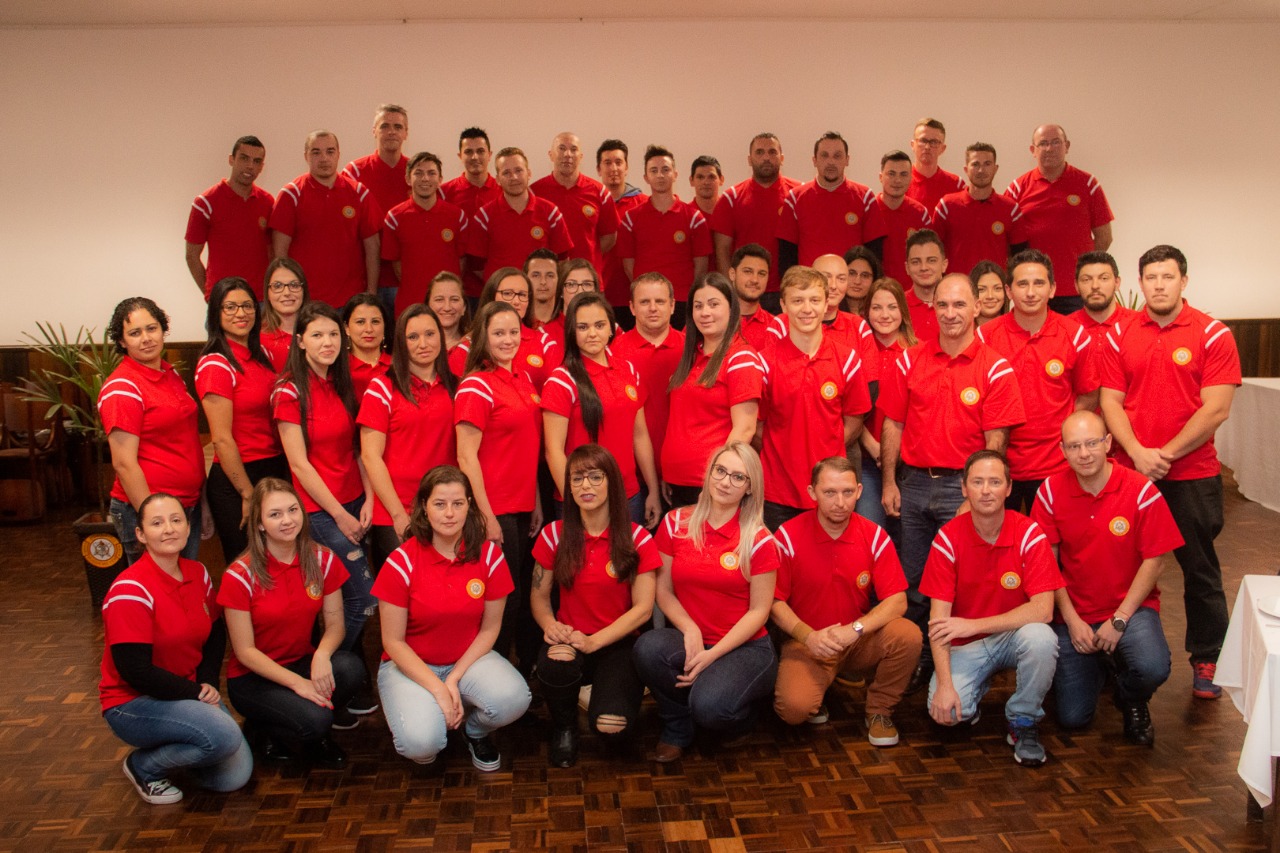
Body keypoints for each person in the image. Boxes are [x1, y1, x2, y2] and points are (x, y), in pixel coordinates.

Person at [1099, 244, 1241, 699]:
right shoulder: (1119, 334)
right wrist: (1137, 452)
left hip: (1192, 474)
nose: (1159, 285)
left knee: (1200, 571)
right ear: (1140, 284)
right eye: (1151, 278)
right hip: (1131, 472)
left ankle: (1207, 657)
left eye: (1167, 276)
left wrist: (1164, 454)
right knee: (1121, 567)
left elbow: (1216, 409)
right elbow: (1109, 401)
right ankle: (1115, 654)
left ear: (1184, 281)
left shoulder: (1213, 334)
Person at [878, 273, 1026, 690]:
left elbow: (996, 442)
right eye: (942, 305)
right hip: (913, 484)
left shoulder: (995, 367)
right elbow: (892, 424)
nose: (950, 313)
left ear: (977, 306)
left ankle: (958, 666)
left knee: (957, 584)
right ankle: (915, 659)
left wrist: (976, 497)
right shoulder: (909, 360)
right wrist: (889, 482)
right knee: (912, 582)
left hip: (962, 489)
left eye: (959, 304)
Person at [1032, 412, 1183, 743]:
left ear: (1108, 443)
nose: (1084, 453)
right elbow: (1047, 566)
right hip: (1075, 612)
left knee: (1152, 668)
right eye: (1074, 446)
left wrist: (1120, 619)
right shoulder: (1049, 492)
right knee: (1073, 718)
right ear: (1062, 450)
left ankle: (1130, 698)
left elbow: (1155, 562)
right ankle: (1100, 664)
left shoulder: (1141, 490)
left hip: (1130, 609)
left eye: (1091, 443)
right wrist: (1072, 620)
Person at [373, 466, 531, 770]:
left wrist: (455, 678)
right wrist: (438, 688)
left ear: (469, 505)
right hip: (411, 666)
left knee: (515, 699)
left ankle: (473, 731)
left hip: (467, 662)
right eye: (439, 504)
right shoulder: (400, 561)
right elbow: (393, 642)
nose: (449, 513)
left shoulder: (489, 556)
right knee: (422, 745)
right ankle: (435, 722)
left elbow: (490, 629)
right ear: (424, 507)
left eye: (458, 503)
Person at [99, 493, 252, 804]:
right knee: (224, 736)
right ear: (141, 534)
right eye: (157, 523)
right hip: (134, 702)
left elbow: (215, 633)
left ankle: (180, 749)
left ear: (188, 527)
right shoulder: (130, 589)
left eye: (176, 520)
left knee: (234, 777)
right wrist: (195, 693)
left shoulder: (198, 573)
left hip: (187, 691)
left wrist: (207, 681)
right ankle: (143, 765)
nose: (169, 529)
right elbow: (135, 671)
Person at [633, 442, 779, 762]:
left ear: (750, 487)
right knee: (647, 648)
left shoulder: (759, 540)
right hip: (693, 638)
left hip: (745, 647)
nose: (725, 482)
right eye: (720, 471)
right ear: (709, 473)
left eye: (738, 477)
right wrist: (689, 629)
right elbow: (663, 590)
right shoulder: (675, 523)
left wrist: (712, 655)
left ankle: (741, 718)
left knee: (711, 707)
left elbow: (759, 611)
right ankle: (677, 725)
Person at [920, 450, 1062, 767]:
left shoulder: (1030, 534)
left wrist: (974, 625)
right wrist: (945, 687)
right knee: (949, 714)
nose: (986, 490)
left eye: (995, 482)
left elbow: (1043, 610)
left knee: (1042, 637)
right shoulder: (947, 539)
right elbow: (938, 623)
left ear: (1009, 488)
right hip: (965, 645)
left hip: (1013, 636)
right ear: (964, 488)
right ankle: (974, 688)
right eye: (978, 482)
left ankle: (1024, 719)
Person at [771, 457, 921, 743]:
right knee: (793, 710)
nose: (840, 502)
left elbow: (898, 601)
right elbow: (774, 603)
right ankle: (820, 687)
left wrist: (855, 630)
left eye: (847, 492)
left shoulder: (875, 536)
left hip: (855, 639)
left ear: (859, 491)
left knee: (908, 635)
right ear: (812, 492)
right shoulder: (787, 536)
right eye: (830, 492)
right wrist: (808, 636)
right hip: (807, 643)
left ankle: (879, 711)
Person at [219, 478, 366, 766]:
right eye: (275, 514)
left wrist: (322, 655)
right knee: (317, 720)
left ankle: (302, 724)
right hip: (254, 678)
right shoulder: (239, 575)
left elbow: (335, 624)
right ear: (259, 523)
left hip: (300, 661)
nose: (287, 520)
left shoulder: (322, 559)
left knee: (350, 668)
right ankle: (263, 729)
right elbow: (245, 652)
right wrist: (299, 684)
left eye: (293, 510)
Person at [531, 444, 660, 766]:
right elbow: (539, 597)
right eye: (577, 479)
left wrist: (594, 642)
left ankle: (606, 698)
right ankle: (564, 728)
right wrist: (551, 626)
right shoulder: (553, 535)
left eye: (594, 477)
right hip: (570, 638)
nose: (585, 486)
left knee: (610, 729)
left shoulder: (637, 538)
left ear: (611, 482)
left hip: (617, 643)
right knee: (556, 662)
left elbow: (643, 609)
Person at [272, 303, 376, 678]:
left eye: (333, 334)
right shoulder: (288, 391)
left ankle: (339, 678)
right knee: (365, 598)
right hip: (321, 511)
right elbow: (299, 464)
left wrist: (370, 498)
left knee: (349, 598)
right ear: (300, 341)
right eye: (317, 335)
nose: (327, 342)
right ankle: (323, 670)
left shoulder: (340, 384)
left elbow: (357, 450)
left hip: (355, 501)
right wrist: (339, 515)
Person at [454, 301, 545, 676]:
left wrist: (536, 499)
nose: (508, 340)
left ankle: (515, 674)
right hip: (495, 508)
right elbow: (465, 456)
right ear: (482, 337)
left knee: (519, 596)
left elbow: (528, 445)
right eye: (498, 333)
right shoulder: (476, 384)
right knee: (502, 601)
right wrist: (485, 515)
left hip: (522, 505)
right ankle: (489, 678)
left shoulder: (522, 378)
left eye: (513, 332)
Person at [977, 249, 1097, 512]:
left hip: (1056, 465)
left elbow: (1088, 395)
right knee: (1000, 537)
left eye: (1039, 283)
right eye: (1022, 284)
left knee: (1054, 537)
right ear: (1009, 291)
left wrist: (1061, 431)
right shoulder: (984, 338)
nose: (1031, 292)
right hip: (998, 465)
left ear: (1052, 289)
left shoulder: (1075, 336)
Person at [759, 266, 871, 531]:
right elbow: (757, 426)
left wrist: (825, 449)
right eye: (797, 300)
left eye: (814, 300)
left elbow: (854, 421)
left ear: (826, 303)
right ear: (783, 305)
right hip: (777, 491)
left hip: (830, 491)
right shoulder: (764, 361)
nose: (807, 309)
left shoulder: (847, 359)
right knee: (778, 558)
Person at [99, 297, 205, 565]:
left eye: (152, 328)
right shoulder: (122, 387)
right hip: (148, 512)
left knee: (183, 583)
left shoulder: (171, 375)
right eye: (135, 333)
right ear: (122, 341)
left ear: (163, 330)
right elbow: (124, 464)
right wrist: (154, 520)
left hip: (185, 506)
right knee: (156, 588)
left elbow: (187, 442)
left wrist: (201, 504)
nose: (146, 338)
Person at [542, 292, 661, 527]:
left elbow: (639, 436)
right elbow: (553, 451)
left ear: (611, 328)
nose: (592, 333)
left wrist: (653, 490)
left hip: (629, 496)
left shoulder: (628, 370)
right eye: (583, 327)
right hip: (583, 500)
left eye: (599, 325)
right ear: (572, 332)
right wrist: (574, 503)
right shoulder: (561, 380)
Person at [359, 304, 459, 572]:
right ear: (400, 343)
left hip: (446, 510)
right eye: (412, 337)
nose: (423, 344)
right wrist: (398, 515)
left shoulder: (457, 386)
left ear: (441, 337)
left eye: (430, 334)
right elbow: (370, 456)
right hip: (397, 510)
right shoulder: (381, 388)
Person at [196, 277, 289, 562]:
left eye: (248, 306)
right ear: (216, 313)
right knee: (247, 566)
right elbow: (221, 439)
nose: (241, 313)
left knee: (278, 561)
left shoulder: (261, 356)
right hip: (239, 477)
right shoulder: (216, 363)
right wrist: (247, 493)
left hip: (273, 468)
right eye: (231, 307)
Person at [661, 273, 765, 507]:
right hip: (678, 482)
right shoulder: (691, 356)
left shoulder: (741, 357)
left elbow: (745, 429)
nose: (704, 312)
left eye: (713, 304)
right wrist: (670, 471)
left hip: (710, 485)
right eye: (698, 306)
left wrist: (717, 481)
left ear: (732, 309)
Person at [1005, 124, 1114, 314]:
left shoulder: (1088, 184)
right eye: (1043, 143)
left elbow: (1105, 237)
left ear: (1067, 146)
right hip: (1034, 292)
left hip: (1076, 292)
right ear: (1033, 150)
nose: (1049, 148)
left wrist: (1084, 269)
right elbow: (1005, 242)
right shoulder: (1017, 188)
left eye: (1056, 142)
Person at [270, 130, 382, 308]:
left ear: (338, 154)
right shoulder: (291, 195)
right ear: (306, 156)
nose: (324, 158)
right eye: (316, 152)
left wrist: (371, 294)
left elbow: (372, 248)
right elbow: (279, 254)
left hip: (351, 302)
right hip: (304, 302)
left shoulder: (359, 193)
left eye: (330, 151)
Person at [618, 145, 711, 316]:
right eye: (654, 170)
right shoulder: (630, 219)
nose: (660, 175)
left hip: (683, 302)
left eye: (665, 170)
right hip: (646, 302)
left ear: (675, 174)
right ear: (646, 177)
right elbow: (629, 267)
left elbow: (701, 267)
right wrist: (647, 292)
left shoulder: (694, 219)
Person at [612, 272, 684, 494]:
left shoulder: (691, 350)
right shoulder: (613, 353)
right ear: (632, 307)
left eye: (660, 301)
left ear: (672, 306)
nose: (653, 308)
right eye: (644, 302)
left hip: (682, 473)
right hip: (630, 478)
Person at [857, 277, 918, 528]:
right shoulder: (856, 353)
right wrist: (872, 446)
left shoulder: (917, 354)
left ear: (903, 311)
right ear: (866, 311)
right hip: (867, 458)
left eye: (892, 307)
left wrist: (895, 452)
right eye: (877, 307)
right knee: (870, 529)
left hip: (909, 462)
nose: (884, 315)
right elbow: (845, 407)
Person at [778, 131, 886, 272]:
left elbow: (874, 255)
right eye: (824, 155)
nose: (831, 162)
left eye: (837, 156)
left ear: (847, 160)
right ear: (814, 160)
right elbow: (786, 255)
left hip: (851, 283)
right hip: (810, 284)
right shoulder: (794, 199)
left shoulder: (865, 197)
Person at [711, 132, 800, 303]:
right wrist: (731, 290)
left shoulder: (798, 194)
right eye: (759, 152)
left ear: (781, 158)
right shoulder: (731, 198)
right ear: (749, 159)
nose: (766, 157)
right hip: (745, 292)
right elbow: (722, 250)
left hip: (788, 290)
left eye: (772, 152)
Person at [185, 135, 273, 300]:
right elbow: (191, 256)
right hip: (223, 300)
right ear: (231, 160)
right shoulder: (205, 203)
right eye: (244, 158)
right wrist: (212, 297)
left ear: (262, 167)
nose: (250, 166)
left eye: (256, 161)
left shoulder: (268, 203)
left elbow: (272, 253)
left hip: (260, 300)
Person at [382, 151, 469, 318]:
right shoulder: (394, 218)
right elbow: (397, 266)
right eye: (418, 173)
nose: (425, 178)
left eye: (431, 173)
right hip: (410, 305)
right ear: (408, 179)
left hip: (448, 308)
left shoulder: (458, 217)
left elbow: (461, 262)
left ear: (440, 179)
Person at [469, 147, 574, 282]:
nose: (514, 177)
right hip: (500, 293)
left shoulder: (550, 212)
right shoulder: (484, 217)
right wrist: (503, 284)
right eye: (506, 173)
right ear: (498, 179)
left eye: (518, 170)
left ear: (529, 173)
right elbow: (476, 265)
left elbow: (563, 260)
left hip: (539, 292)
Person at [343, 104, 412, 311]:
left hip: (405, 281)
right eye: (385, 126)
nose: (391, 132)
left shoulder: (417, 173)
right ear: (374, 131)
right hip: (362, 281)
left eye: (398, 127)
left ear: (406, 133)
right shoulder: (354, 173)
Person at [449, 268, 561, 390]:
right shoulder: (467, 347)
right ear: (491, 296)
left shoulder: (544, 342)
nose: (516, 301)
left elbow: (559, 392)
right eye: (507, 294)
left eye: (522, 295)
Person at [932, 143, 1026, 281]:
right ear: (966, 169)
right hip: (956, 288)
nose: (981, 170)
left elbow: (1020, 258)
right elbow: (932, 251)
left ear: (995, 168)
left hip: (995, 289)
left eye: (987, 164)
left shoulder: (1011, 209)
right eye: (975, 164)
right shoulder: (946, 206)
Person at [531, 132, 619, 275]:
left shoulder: (600, 192)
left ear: (581, 156)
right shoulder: (534, 193)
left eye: (573, 149)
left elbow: (609, 238)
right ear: (551, 155)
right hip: (548, 281)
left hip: (588, 279)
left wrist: (589, 254)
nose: (568, 154)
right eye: (561, 148)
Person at [439, 128, 501, 298]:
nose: (475, 157)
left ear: (490, 154)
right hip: (456, 291)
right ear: (460, 156)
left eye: (480, 151)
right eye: (468, 152)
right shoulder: (443, 193)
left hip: (495, 289)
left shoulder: (504, 192)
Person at [596, 139, 649, 326]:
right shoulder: (592, 203)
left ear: (626, 168)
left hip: (637, 297)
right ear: (598, 169)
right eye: (607, 163)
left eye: (618, 162)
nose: (614, 168)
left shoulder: (644, 204)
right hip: (601, 295)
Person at [875, 149, 932, 287]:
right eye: (891, 174)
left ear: (911, 178)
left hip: (912, 292)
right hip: (876, 291)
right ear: (881, 177)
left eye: (903, 174)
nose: (897, 180)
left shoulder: (920, 214)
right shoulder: (870, 210)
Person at [1071, 251, 1136, 353]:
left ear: (1117, 283)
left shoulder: (1136, 324)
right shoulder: (1065, 329)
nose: (1095, 286)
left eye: (1104, 278)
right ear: (1076, 286)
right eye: (1086, 279)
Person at [726, 243, 782, 350]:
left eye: (761, 274)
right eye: (748, 272)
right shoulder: (712, 321)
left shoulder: (776, 327)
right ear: (732, 274)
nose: (755, 280)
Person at [905, 118, 966, 213]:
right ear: (913, 145)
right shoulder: (900, 182)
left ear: (943, 148)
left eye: (934, 142)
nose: (927, 147)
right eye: (923, 140)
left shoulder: (956, 185)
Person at [259, 257, 309, 370]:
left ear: (303, 290)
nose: (287, 292)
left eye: (294, 285)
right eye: (277, 286)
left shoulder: (320, 333)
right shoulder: (257, 340)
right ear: (267, 293)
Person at [343, 293, 392, 400]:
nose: (369, 329)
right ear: (346, 328)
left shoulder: (398, 366)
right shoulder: (339, 368)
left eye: (375, 322)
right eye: (360, 322)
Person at [902, 229, 948, 342]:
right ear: (907, 268)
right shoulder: (897, 305)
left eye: (931, 261)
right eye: (916, 262)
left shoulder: (960, 305)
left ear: (944, 265)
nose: (923, 267)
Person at [425, 271, 471, 355]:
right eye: (439, 300)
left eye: (454, 299)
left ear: (464, 307)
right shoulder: (417, 346)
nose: (447, 307)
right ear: (428, 306)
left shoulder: (475, 346)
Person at [842, 245, 883, 316]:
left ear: (874, 279)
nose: (857, 281)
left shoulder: (881, 315)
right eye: (851, 273)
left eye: (865, 275)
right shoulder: (828, 313)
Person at [526, 248, 561, 331]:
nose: (543, 282)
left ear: (559, 280)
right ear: (525, 279)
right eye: (536, 275)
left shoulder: (569, 326)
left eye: (550, 276)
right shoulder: (514, 325)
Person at [688, 155, 725, 234]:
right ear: (691, 181)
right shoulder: (685, 215)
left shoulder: (730, 212)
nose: (706, 182)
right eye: (700, 177)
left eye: (711, 177)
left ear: (721, 180)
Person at [971, 260, 1009, 327]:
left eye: (997, 288)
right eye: (981, 290)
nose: (990, 296)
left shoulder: (1017, 328)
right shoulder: (962, 330)